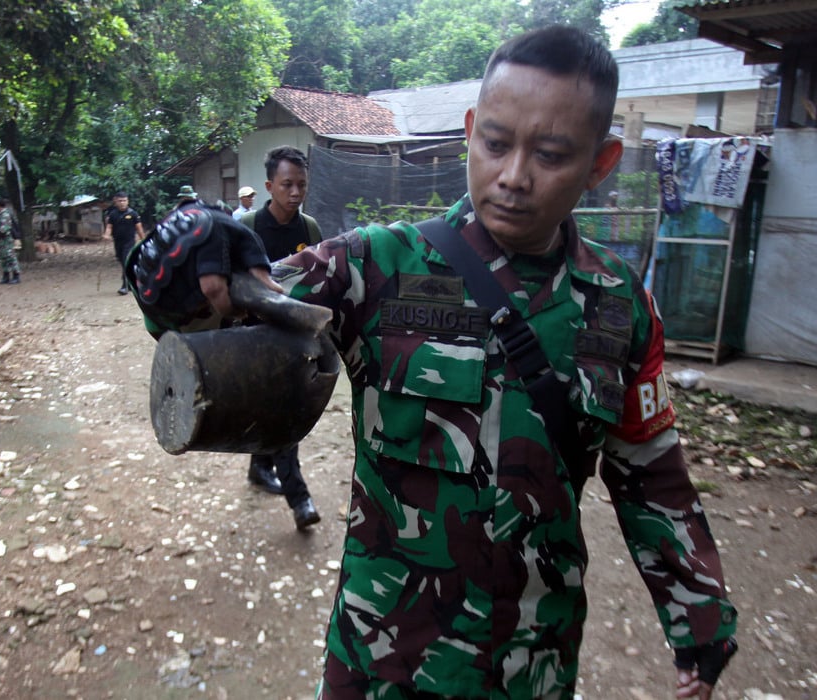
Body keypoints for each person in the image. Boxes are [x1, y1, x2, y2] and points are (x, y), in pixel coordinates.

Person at [139, 25, 738, 699]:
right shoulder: (372, 267)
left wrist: (700, 625)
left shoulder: (619, 307)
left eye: (550, 153)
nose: (513, 175)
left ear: (601, 162)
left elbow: (652, 477)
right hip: (382, 660)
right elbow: (227, 313)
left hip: (532, 667)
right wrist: (183, 270)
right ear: (470, 130)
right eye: (496, 143)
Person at [239, 146, 323, 530]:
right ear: (270, 185)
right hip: (256, 333)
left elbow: (323, 279)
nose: (295, 192)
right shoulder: (250, 228)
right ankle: (299, 498)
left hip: (297, 335)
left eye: (301, 185)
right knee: (283, 409)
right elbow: (234, 282)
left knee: (281, 407)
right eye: (287, 184)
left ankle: (260, 465)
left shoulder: (311, 230)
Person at [103, 192, 146, 295]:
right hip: (118, 242)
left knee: (126, 262)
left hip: (129, 242)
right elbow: (109, 227)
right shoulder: (112, 214)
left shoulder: (133, 214)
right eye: (120, 201)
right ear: (116, 202)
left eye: (124, 200)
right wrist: (106, 234)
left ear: (128, 201)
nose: (122, 203)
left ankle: (124, 286)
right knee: (122, 262)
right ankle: (133, 283)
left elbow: (139, 229)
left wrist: (144, 241)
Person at [0, 197, 20, 284]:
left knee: (11, 257)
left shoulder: (5, 215)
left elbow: (4, 229)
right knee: (3, 258)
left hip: (7, 240)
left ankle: (16, 276)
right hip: (1, 240)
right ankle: (6, 276)